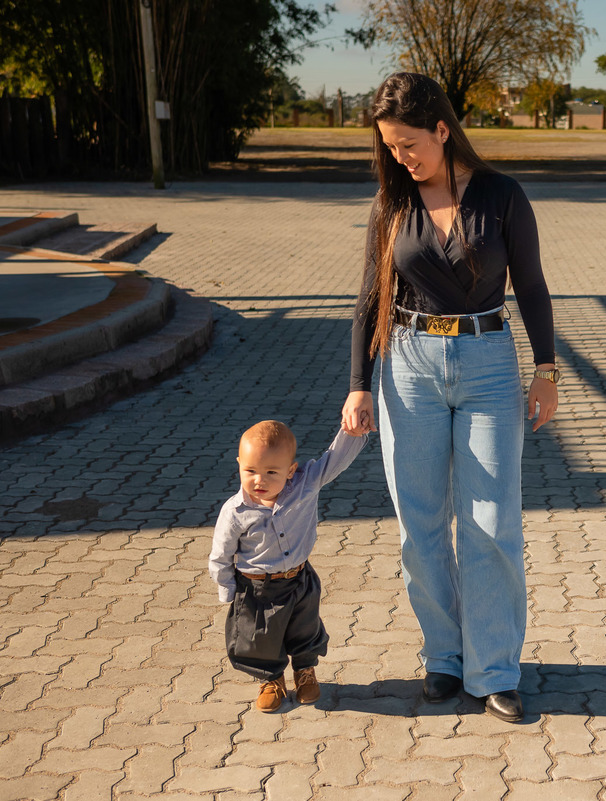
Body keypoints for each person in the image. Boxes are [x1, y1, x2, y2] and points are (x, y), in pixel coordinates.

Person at [341, 72, 558, 722]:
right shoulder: (392, 205)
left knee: (492, 524)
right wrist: (358, 385)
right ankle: (445, 657)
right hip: (407, 368)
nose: (401, 158)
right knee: (421, 526)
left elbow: (534, 285)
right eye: (390, 147)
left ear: (442, 128)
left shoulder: (503, 196)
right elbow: (368, 301)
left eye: (409, 144)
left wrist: (546, 369)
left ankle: (494, 668)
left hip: (488, 361)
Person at [209, 421, 367, 712]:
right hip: (256, 587)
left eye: (271, 472)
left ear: (291, 471)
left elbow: (335, 459)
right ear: (239, 465)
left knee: (304, 629)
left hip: (299, 578)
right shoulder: (234, 511)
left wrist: (353, 430)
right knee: (260, 639)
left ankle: (305, 671)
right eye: (251, 471)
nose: (260, 480)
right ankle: (271, 680)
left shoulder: (304, 485)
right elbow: (221, 554)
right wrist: (228, 591)